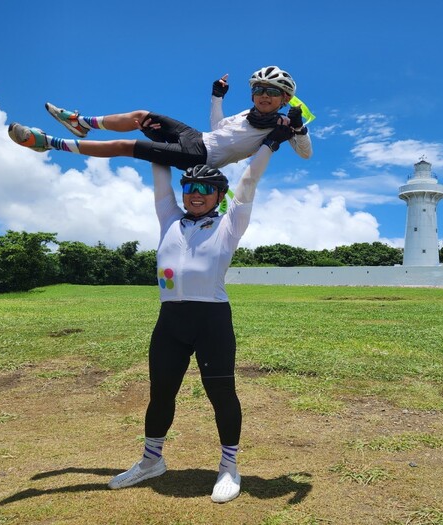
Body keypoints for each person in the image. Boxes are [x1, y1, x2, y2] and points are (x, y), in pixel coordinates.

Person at [106, 121, 296, 503]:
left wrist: (272, 142)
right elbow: (159, 173)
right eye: (190, 187)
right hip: (170, 322)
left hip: (211, 321)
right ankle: (151, 461)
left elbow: (249, 182)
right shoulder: (169, 218)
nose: (195, 194)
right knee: (161, 394)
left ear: (217, 195)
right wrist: (159, 142)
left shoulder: (229, 224)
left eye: (205, 189)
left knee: (222, 395)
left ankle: (229, 467)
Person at [7, 65, 312, 170]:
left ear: (285, 99)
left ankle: (48, 143)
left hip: (201, 158)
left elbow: (305, 154)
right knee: (141, 116)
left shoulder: (283, 124)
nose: (264, 95)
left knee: (127, 146)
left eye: (272, 91)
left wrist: (299, 128)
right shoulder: (247, 113)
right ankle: (80, 122)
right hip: (198, 138)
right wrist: (217, 96)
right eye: (259, 88)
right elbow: (218, 127)